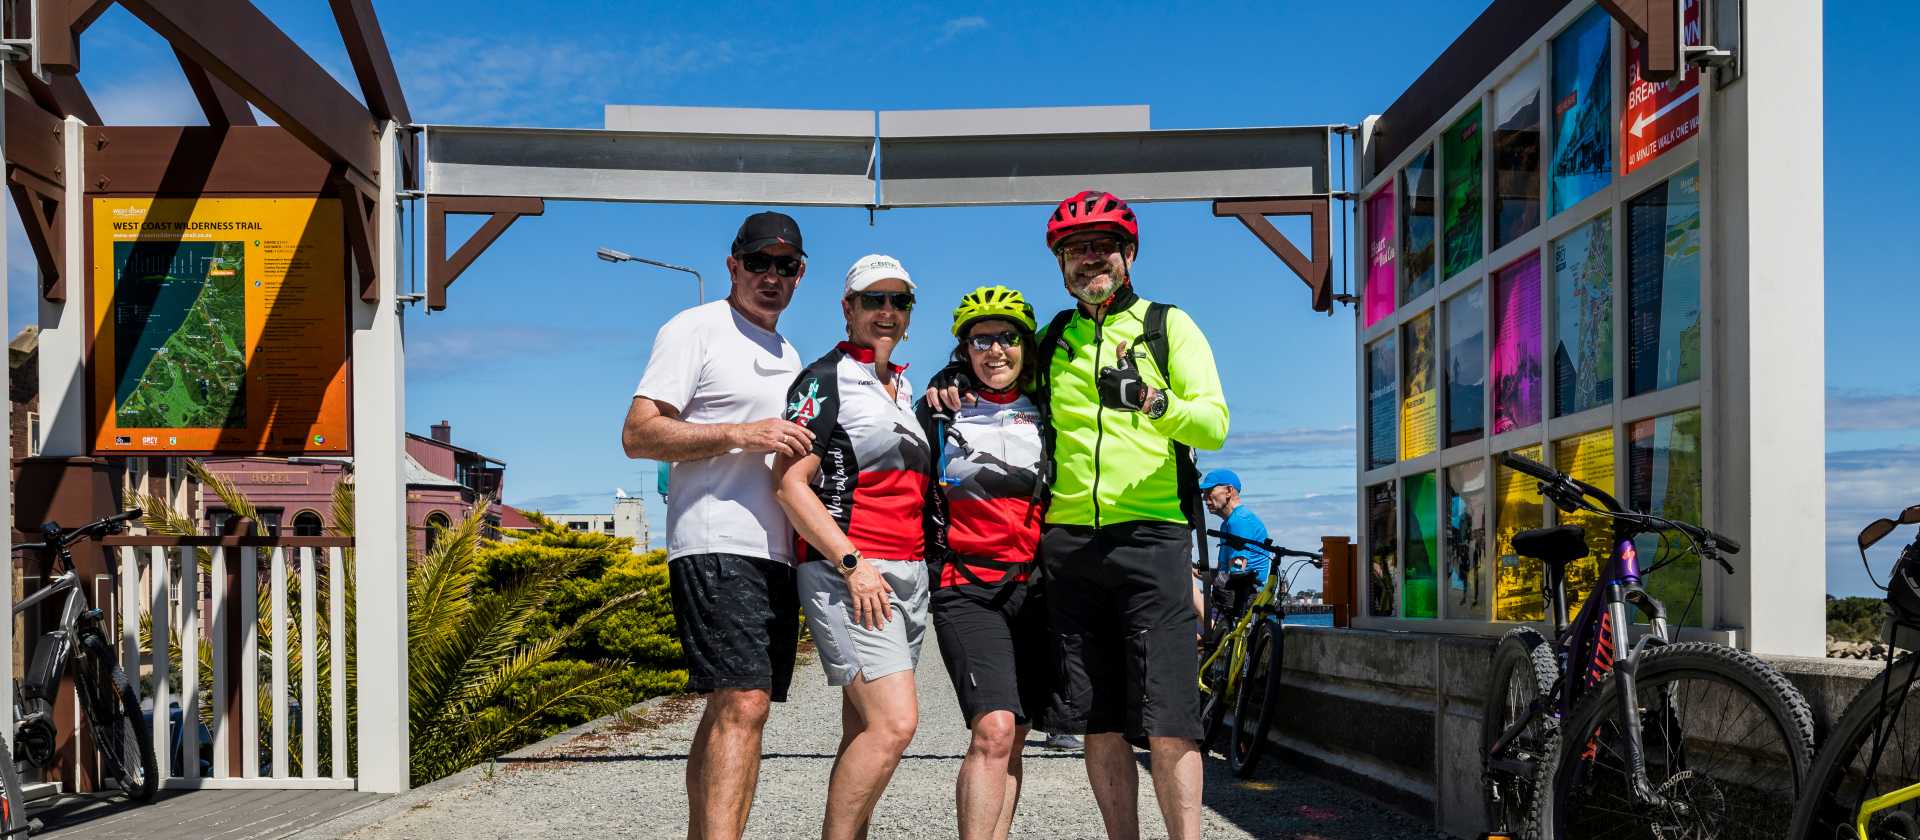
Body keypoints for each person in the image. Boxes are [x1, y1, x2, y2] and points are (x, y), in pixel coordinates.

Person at [937, 190, 1228, 840]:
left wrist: (1153, 400)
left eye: (1101, 247)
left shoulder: (1167, 324)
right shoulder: (1055, 339)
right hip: (1068, 549)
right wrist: (948, 376)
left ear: (1129, 253)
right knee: (1096, 717)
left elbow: (1213, 423)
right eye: (1075, 250)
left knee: (1171, 716)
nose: (1088, 259)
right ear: (1061, 263)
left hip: (1151, 537)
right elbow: (998, 378)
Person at [620, 211, 812, 840]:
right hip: (713, 541)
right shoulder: (694, 329)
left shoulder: (789, 352)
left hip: (775, 552)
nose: (771, 276)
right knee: (744, 702)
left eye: (785, 266)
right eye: (758, 263)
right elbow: (639, 434)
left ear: (800, 275)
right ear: (733, 266)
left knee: (734, 706)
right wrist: (738, 433)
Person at [773, 254, 934, 840]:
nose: (887, 311)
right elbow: (789, 485)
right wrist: (852, 564)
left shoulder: (902, 384)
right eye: (874, 299)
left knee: (864, 730)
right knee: (895, 725)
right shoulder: (825, 378)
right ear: (848, 308)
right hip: (853, 574)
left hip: (908, 572)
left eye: (899, 300)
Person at [916, 286, 1056, 840]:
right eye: (981, 340)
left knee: (1015, 733)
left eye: (1007, 338)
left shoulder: (1049, 411)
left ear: (1026, 345)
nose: (995, 351)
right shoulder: (939, 413)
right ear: (963, 350)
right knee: (993, 729)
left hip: (1036, 588)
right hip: (966, 585)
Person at [1201, 468, 1273, 622]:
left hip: (1243, 597)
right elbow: (1225, 571)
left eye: (1209, 492)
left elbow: (1237, 570)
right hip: (1234, 592)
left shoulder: (1239, 521)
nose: (1205, 499)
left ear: (1228, 491)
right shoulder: (1228, 523)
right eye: (1204, 494)